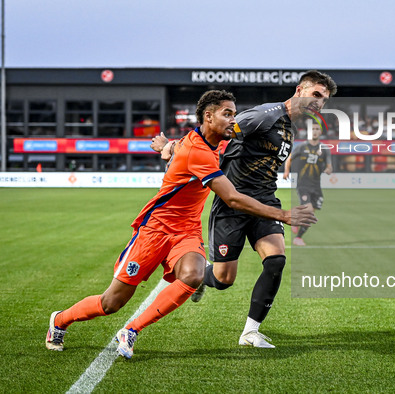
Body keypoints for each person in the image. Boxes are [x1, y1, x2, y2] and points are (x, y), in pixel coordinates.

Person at [45, 90, 316, 359]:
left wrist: (165, 145)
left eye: (235, 114)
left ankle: (131, 330)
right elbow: (232, 198)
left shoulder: (215, 141)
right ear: (208, 117)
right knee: (111, 303)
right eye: (227, 114)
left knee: (194, 275)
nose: (234, 120)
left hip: (186, 230)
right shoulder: (198, 152)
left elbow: (180, 146)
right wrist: (284, 215)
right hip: (155, 230)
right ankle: (60, 320)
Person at [154, 70, 337, 348]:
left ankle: (250, 332)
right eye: (316, 94)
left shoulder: (292, 128)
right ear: (300, 90)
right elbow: (214, 132)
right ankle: (202, 275)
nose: (319, 102)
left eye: (324, 99)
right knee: (224, 279)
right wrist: (172, 146)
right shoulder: (265, 115)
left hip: (265, 200)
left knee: (276, 260)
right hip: (233, 203)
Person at [283, 121, 333, 246]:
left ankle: (295, 220)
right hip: (303, 184)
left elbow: (329, 166)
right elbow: (289, 159)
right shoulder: (301, 146)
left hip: (316, 185)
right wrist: (286, 171)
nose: (315, 131)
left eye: (317, 129)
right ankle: (298, 238)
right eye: (313, 129)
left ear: (320, 132)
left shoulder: (324, 149)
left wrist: (328, 170)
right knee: (309, 210)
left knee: (311, 213)